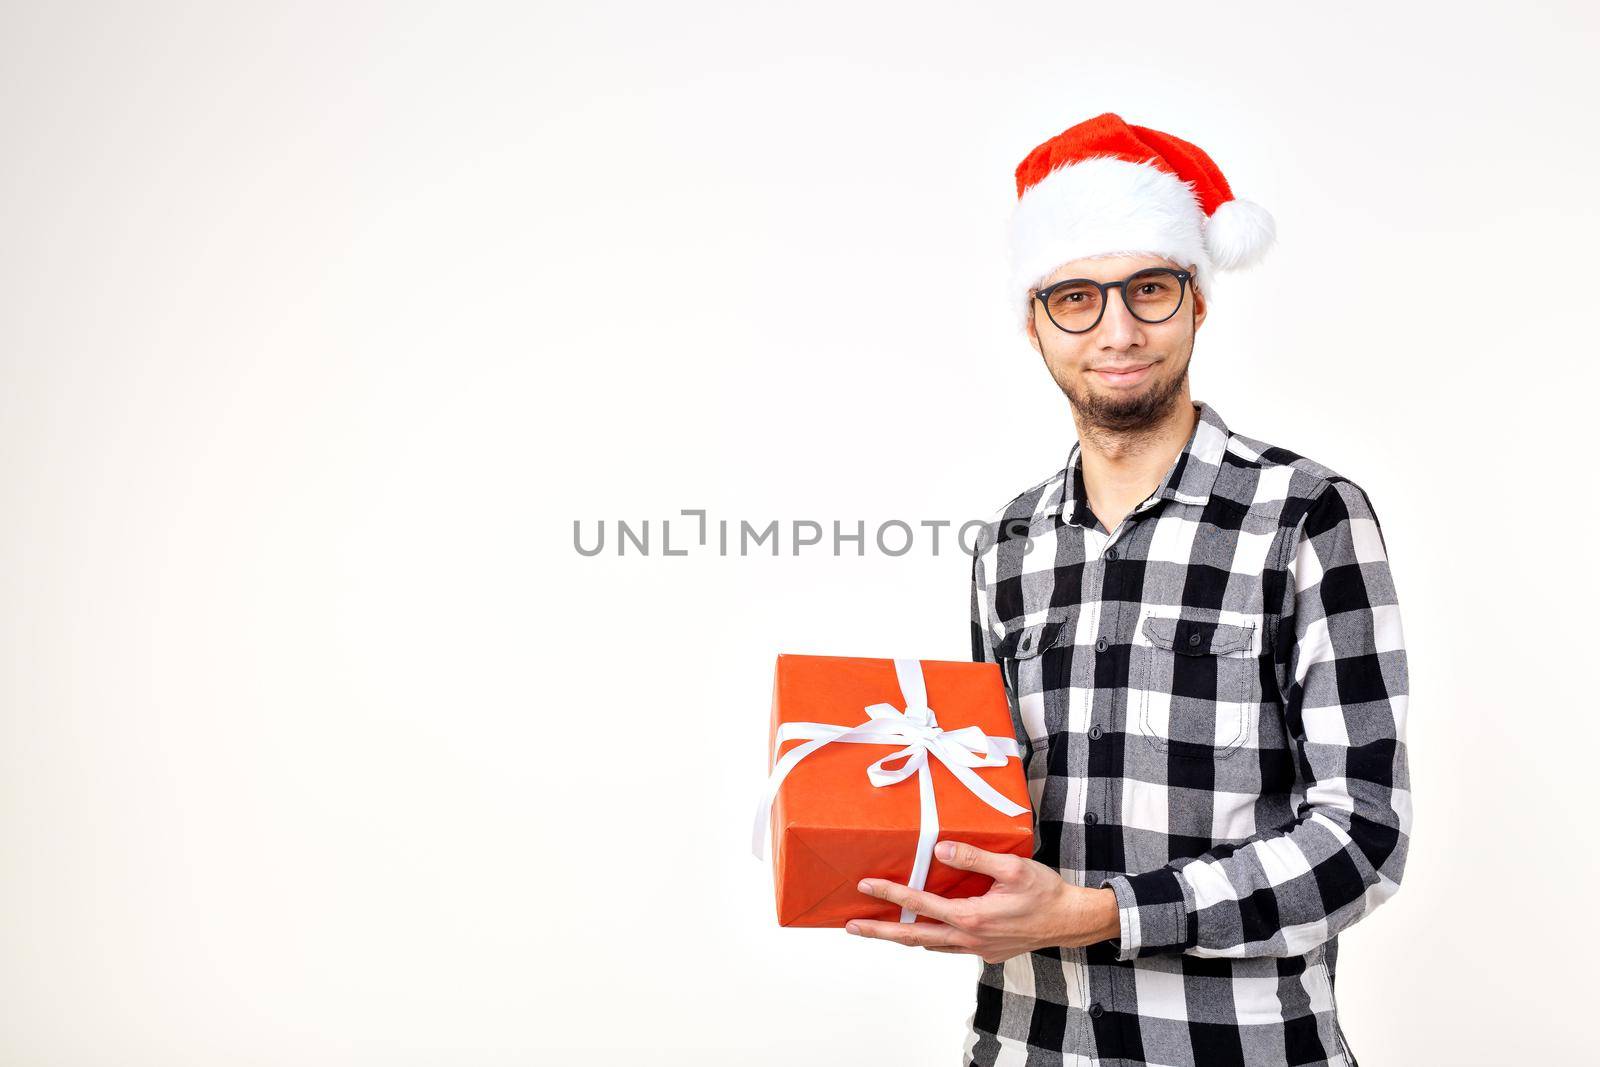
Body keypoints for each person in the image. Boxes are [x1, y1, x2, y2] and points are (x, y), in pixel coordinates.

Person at [843, 113, 1412, 1067]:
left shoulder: (1308, 515)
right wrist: (847, 810)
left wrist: (1103, 913)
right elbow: (986, 800)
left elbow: (1363, 837)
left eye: (1148, 288)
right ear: (1034, 323)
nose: (1117, 328)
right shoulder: (1007, 545)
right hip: (1028, 1045)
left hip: (1242, 1049)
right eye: (1076, 297)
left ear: (1197, 301)